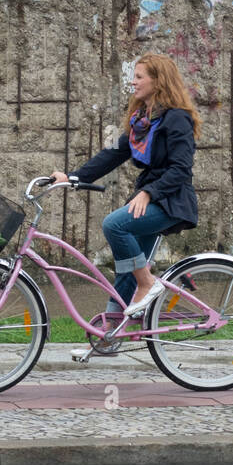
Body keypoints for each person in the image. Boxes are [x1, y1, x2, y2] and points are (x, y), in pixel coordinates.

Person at [50, 52, 201, 318]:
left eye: (139, 77)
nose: (133, 82)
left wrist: (147, 193)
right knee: (127, 267)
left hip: (171, 200)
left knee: (114, 224)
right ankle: (111, 331)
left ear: (158, 81)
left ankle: (147, 283)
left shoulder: (177, 119)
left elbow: (180, 170)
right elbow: (113, 154)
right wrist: (72, 177)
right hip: (153, 197)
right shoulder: (142, 120)